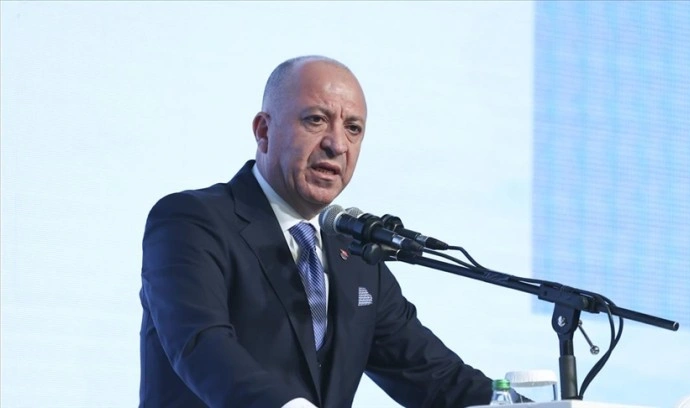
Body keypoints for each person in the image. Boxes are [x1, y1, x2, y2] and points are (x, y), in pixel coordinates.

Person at [139, 55, 514, 407]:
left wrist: (530, 403)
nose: (337, 145)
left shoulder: (357, 257)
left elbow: (437, 379)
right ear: (264, 131)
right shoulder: (192, 221)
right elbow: (202, 345)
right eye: (316, 120)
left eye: (353, 129)